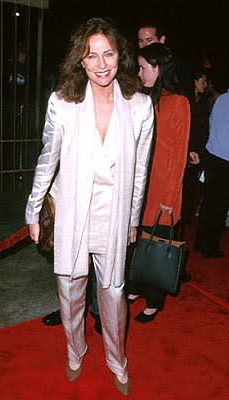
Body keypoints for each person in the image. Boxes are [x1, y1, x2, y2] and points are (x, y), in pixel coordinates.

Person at [25, 17, 154, 395]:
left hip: (113, 213)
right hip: (72, 209)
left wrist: (132, 218)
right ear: (80, 61)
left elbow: (140, 171)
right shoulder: (63, 102)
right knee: (70, 286)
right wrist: (34, 210)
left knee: (113, 292)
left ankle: (117, 361)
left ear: (120, 56)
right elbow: (47, 159)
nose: (101, 64)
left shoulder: (141, 106)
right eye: (91, 55)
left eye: (108, 54)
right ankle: (75, 351)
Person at [127, 43, 190, 323]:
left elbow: (178, 157)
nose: (139, 73)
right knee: (141, 239)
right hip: (143, 184)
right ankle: (137, 285)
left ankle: (154, 300)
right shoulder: (146, 99)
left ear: (158, 67)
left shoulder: (179, 102)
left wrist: (169, 197)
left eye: (143, 67)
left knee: (159, 243)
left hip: (165, 187)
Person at [194, 86, 229, 258]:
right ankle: (210, 247)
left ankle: (200, 243)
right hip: (226, 160)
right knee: (219, 207)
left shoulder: (220, 99)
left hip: (212, 157)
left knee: (208, 202)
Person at [179, 68, 210, 240]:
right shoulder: (185, 101)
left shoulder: (204, 103)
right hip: (184, 150)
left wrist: (200, 151)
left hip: (196, 152)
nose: (205, 85)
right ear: (194, 81)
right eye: (202, 81)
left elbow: (203, 130)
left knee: (190, 189)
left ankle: (184, 221)